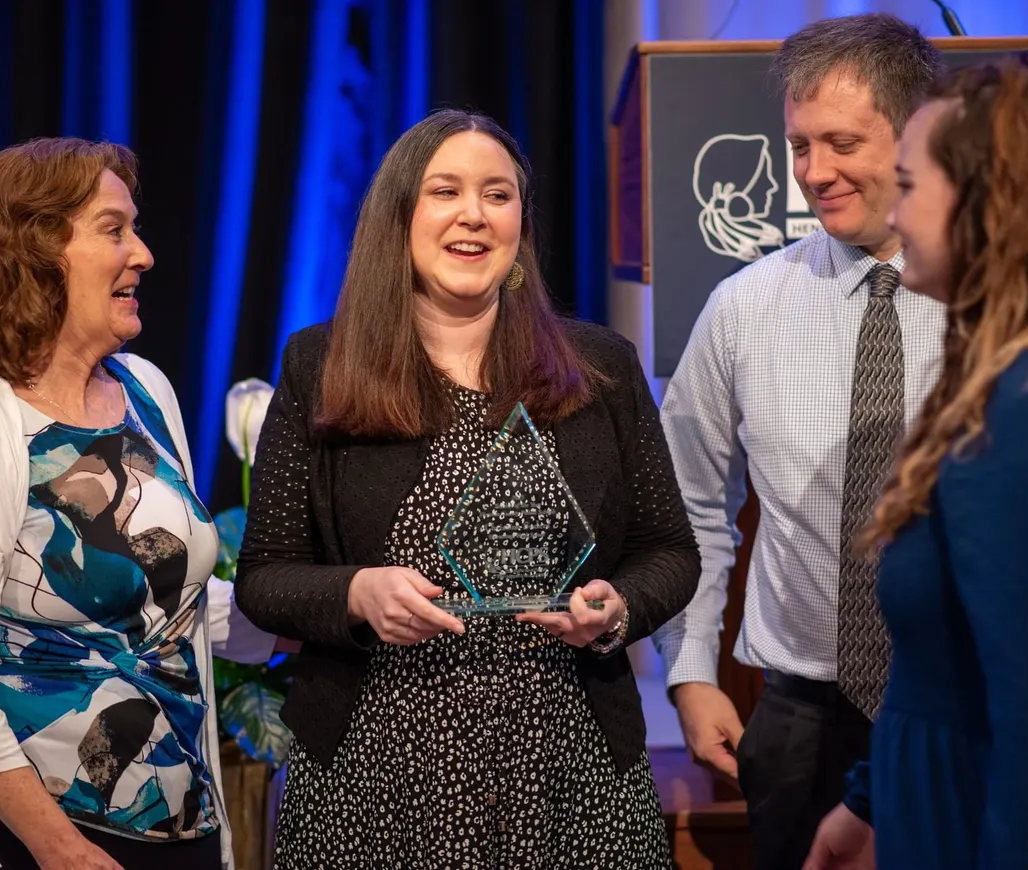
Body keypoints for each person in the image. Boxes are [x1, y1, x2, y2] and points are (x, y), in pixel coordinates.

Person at [232, 108, 701, 868]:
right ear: (400, 216)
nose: (474, 216)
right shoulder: (320, 363)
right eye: (445, 191)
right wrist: (357, 595)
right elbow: (265, 578)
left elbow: (669, 551)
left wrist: (617, 610)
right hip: (372, 779)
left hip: (569, 772)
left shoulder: (602, 369)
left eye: (498, 194)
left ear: (521, 218)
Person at [804, 52, 1028, 870]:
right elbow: (959, 667)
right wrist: (872, 804)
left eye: (913, 185)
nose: (898, 213)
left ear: (991, 201)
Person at [0, 137, 278, 870]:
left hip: (183, 825)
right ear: (37, 251)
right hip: (42, 843)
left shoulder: (145, 391)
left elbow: (170, 606)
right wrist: (58, 847)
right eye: (113, 230)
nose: (144, 254)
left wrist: (310, 612)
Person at [651, 13, 947, 870]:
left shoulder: (994, 305)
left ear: (916, 133)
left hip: (965, 710)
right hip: (798, 726)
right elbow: (692, 505)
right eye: (799, 146)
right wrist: (693, 670)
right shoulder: (745, 307)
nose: (814, 173)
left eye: (841, 143)